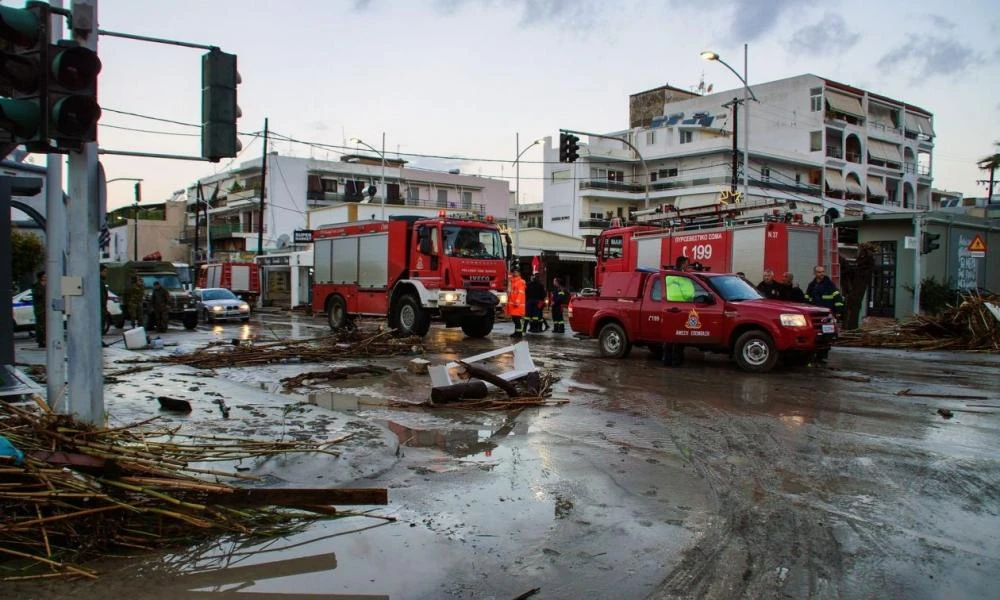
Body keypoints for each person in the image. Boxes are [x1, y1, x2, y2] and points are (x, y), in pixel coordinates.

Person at [507, 267, 526, 339]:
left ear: (519, 273)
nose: (515, 273)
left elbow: (520, 293)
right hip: (513, 304)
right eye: (514, 272)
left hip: (517, 305)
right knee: (515, 319)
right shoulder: (512, 281)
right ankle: (516, 332)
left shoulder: (521, 282)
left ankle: (519, 333)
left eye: (516, 272)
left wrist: (517, 301)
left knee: (517, 320)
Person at [31, 271, 46, 348]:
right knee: (41, 325)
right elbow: (38, 294)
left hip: (48, 308)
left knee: (47, 325)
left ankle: (46, 340)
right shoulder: (36, 286)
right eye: (44, 276)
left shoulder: (48, 285)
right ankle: (41, 341)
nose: (45, 278)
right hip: (40, 309)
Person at [99, 264, 109, 334]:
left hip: (100, 308)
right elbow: (102, 297)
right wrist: (104, 308)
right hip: (100, 308)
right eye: (105, 271)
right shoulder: (99, 282)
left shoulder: (100, 281)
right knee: (100, 325)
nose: (106, 274)